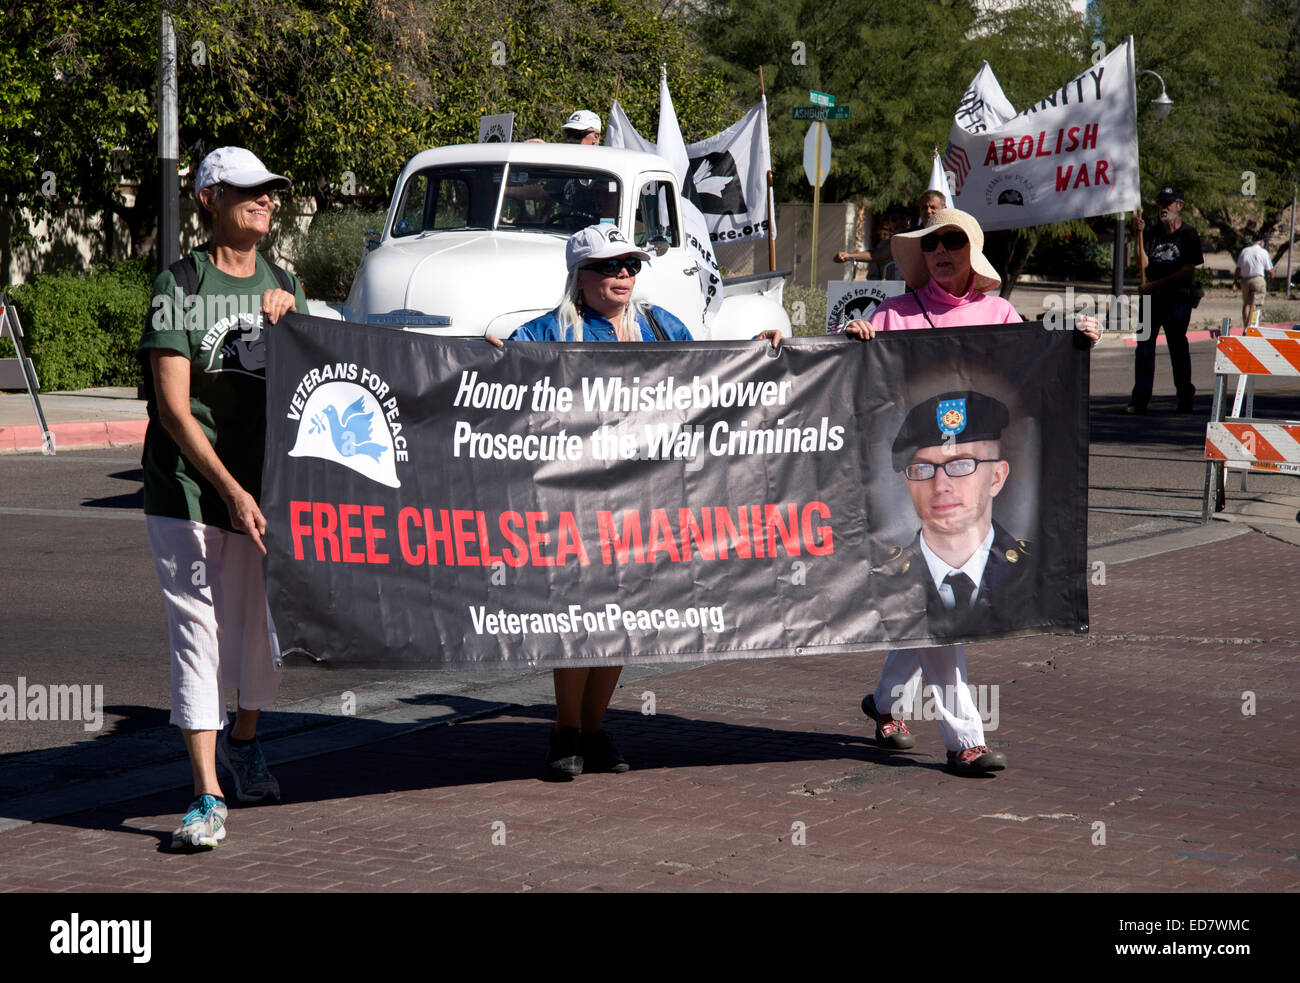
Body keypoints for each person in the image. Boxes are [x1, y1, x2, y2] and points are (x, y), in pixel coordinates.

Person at [488, 224, 779, 778]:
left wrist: (758, 353)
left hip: (649, 495)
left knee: (622, 614)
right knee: (579, 613)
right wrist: (486, 356)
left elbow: (712, 373)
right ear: (580, 275)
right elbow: (499, 379)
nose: (623, 274)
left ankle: (594, 731)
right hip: (578, 496)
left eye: (630, 265)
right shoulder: (549, 329)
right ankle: (564, 733)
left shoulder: (658, 323)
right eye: (609, 266)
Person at [842, 207, 1099, 775]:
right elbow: (854, 384)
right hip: (914, 484)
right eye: (932, 244)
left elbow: (1035, 367)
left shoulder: (999, 313)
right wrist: (853, 340)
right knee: (940, 608)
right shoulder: (893, 314)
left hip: (971, 486)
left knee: (929, 607)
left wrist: (1076, 341)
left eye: (952, 241)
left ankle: (884, 705)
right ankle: (965, 741)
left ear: (971, 252)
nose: (940, 251)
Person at [138, 146, 308, 848]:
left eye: (270, 190)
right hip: (187, 491)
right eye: (248, 190)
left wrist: (295, 320)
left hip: (263, 491)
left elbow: (319, 381)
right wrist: (230, 490)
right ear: (208, 198)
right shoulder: (178, 284)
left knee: (261, 633)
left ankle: (245, 740)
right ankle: (207, 794)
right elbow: (174, 409)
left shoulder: (283, 281)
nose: (265, 199)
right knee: (199, 634)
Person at [1129, 186, 1203, 414]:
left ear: (1179, 205)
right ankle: (1140, 400)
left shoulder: (1188, 234)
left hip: (1177, 300)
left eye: (1168, 203)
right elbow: (1142, 264)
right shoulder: (1151, 233)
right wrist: (1138, 237)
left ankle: (1184, 396)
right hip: (1151, 301)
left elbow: (1187, 271)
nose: (1163, 208)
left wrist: (1154, 284)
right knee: (1144, 349)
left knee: (1177, 347)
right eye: (1160, 203)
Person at [834, 191, 948, 277]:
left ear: (944, 208)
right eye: (924, 208)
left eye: (933, 207)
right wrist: (849, 256)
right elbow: (878, 254)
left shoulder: (955, 233)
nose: (928, 211)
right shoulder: (911, 236)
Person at [1233, 232, 1273, 332]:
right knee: (1256, 303)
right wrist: (1270, 280)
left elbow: (1238, 269)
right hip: (1258, 279)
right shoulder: (1263, 252)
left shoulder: (1245, 251)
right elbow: (1269, 270)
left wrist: (1235, 282)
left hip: (1245, 280)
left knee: (1246, 303)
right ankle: (1252, 327)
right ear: (1261, 243)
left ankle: (1246, 327)